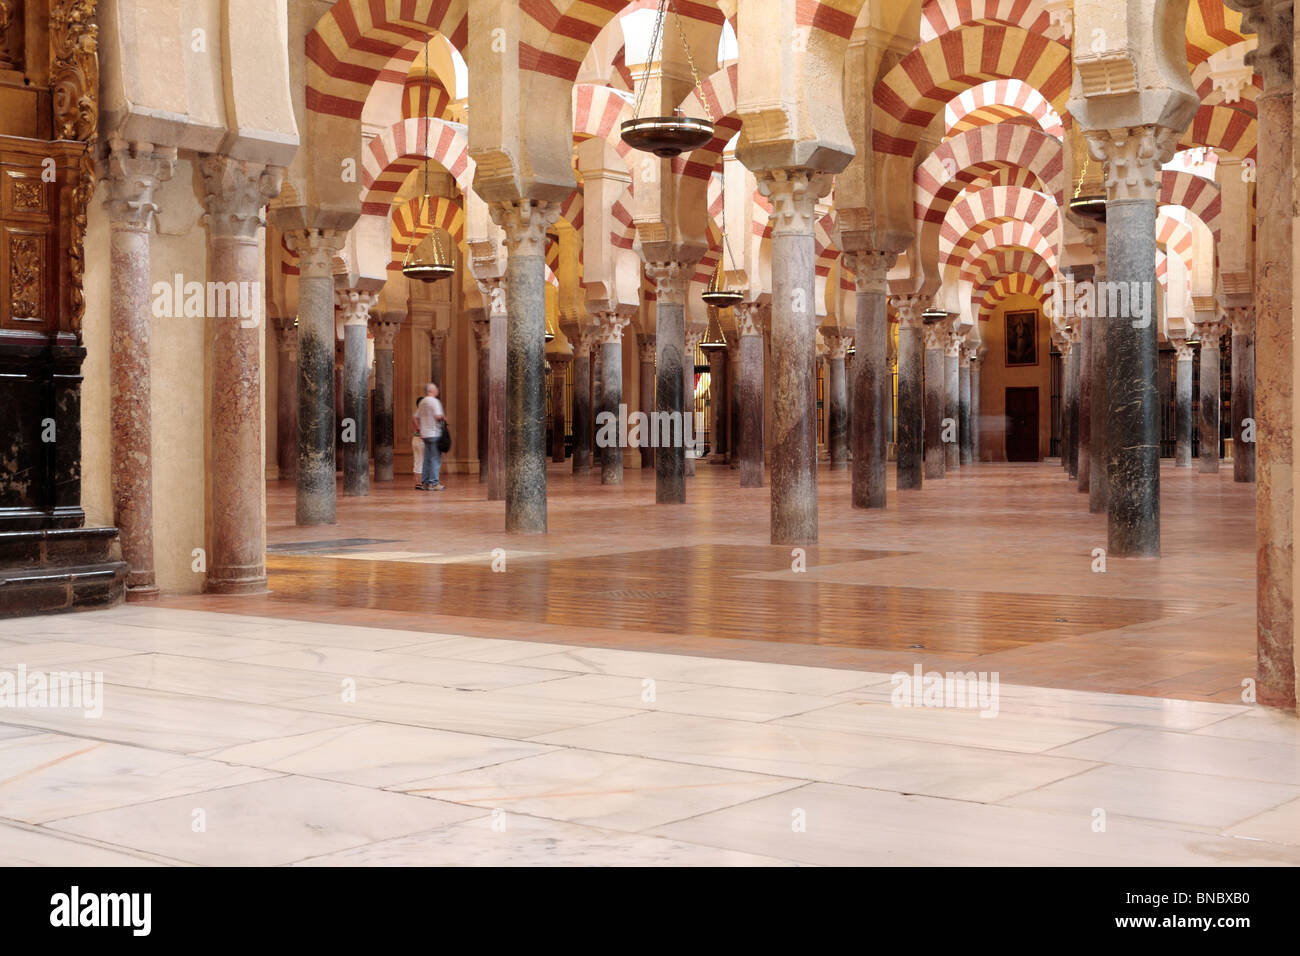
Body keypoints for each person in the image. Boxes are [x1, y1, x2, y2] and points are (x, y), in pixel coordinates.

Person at [412, 383, 446, 491]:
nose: (437, 390)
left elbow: (415, 417)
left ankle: (425, 482)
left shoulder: (422, 402)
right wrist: (443, 418)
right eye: (436, 388)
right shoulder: (435, 401)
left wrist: (419, 429)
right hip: (434, 433)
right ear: (432, 390)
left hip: (425, 434)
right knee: (435, 458)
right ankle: (434, 483)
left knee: (426, 459)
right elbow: (437, 416)